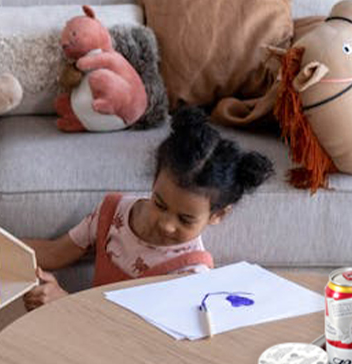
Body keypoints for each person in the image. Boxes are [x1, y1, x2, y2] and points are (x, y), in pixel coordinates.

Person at [21, 108, 273, 310]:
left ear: (218, 215)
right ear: (154, 181)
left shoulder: (191, 273)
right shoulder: (113, 212)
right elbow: (55, 253)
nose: (166, 224)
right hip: (84, 333)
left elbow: (133, 340)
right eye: (160, 204)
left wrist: (64, 303)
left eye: (185, 219)